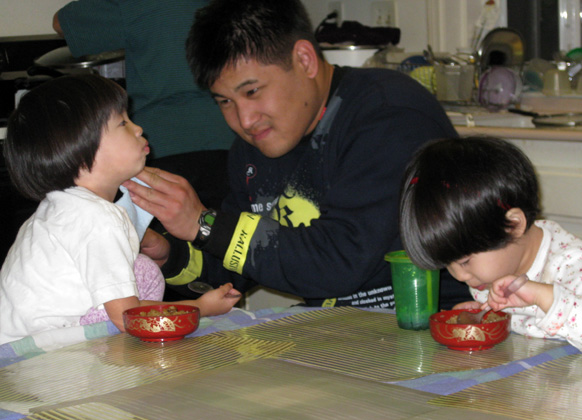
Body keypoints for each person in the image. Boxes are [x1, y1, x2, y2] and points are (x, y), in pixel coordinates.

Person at [123, 0, 471, 310]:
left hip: (436, 330)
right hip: (342, 336)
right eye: (225, 101)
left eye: (253, 91)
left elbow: (339, 263)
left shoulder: (389, 115)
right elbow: (232, 273)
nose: (243, 120)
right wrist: (169, 254)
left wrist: (205, 224)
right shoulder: (253, 148)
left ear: (304, 60)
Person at [0, 75, 240, 346]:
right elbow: (128, 316)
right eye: (123, 123)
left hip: (18, 349)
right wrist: (202, 307)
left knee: (143, 269)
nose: (138, 128)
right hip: (42, 354)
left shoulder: (58, 208)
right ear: (82, 150)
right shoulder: (98, 218)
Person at [399, 136, 582, 359]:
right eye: (447, 265)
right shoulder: (491, 272)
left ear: (513, 225)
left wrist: (542, 296)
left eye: (464, 262)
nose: (459, 276)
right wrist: (491, 317)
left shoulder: (572, 263)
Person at [52, 0, 236, 210]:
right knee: (230, 234)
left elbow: (61, 24)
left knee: (161, 238)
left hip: (160, 149)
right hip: (236, 141)